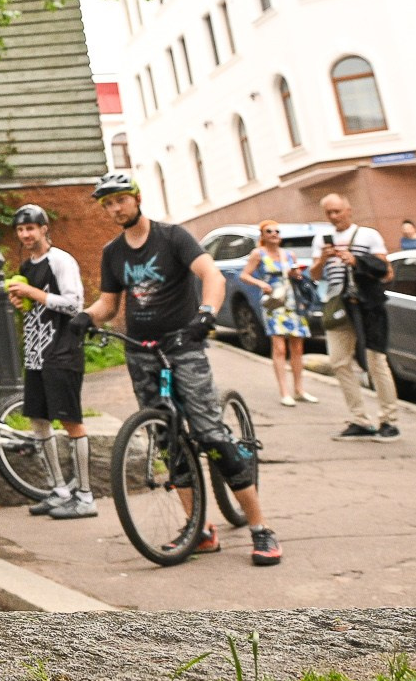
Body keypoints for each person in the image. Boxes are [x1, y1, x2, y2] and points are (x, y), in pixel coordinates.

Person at [83, 171, 278, 567]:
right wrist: (80, 319)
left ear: (136, 198)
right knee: (168, 439)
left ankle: (261, 528)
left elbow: (210, 275)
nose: (114, 208)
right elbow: (107, 307)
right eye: (107, 203)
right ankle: (199, 529)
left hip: (182, 346)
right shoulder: (112, 253)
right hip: (141, 352)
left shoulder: (172, 237)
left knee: (210, 433)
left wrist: (206, 313)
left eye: (119, 200)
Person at [4, 204, 93, 520]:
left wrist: (32, 293)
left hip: (62, 351)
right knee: (39, 421)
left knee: (71, 421)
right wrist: (22, 301)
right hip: (37, 355)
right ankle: (59, 490)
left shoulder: (60, 260)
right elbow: (37, 309)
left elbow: (74, 304)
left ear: (44, 229)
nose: (26, 234)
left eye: (31, 227)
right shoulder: (27, 265)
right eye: (20, 229)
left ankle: (85, 496)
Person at [317, 193, 398, 441]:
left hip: (368, 306)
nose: (333, 217)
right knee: (339, 362)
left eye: (337, 211)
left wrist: (355, 260)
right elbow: (315, 274)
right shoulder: (321, 240)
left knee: (376, 362)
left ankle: (389, 420)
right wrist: (323, 258)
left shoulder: (368, 235)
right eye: (329, 213)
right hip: (338, 307)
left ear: (349, 210)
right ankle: (359, 420)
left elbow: (386, 272)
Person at [240, 222, 315, 408]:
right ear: (262, 236)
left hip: (292, 301)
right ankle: (284, 392)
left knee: (297, 346)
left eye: (277, 231)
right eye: (269, 231)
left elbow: (295, 275)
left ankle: (299, 389)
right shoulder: (258, 254)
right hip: (273, 302)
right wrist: (261, 284)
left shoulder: (288, 254)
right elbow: (244, 275)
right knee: (279, 347)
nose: (274, 234)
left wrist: (296, 274)